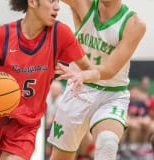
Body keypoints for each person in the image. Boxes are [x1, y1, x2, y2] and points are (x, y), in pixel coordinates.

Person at [0, 0, 102, 160]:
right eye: (51, 1)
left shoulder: (59, 34)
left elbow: (93, 71)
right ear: (33, 2)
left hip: (25, 124)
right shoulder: (1, 36)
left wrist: (81, 75)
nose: (57, 6)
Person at [47, 0, 146, 160]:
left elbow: (109, 70)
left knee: (107, 143)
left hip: (110, 95)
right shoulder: (83, 4)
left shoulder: (134, 24)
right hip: (78, 90)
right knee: (60, 157)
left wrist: (85, 73)